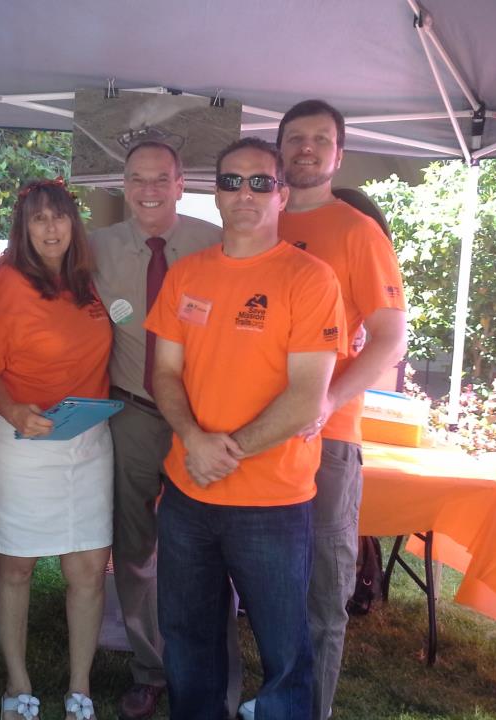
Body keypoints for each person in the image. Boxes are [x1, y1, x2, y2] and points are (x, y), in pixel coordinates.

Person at [145, 137, 346, 720]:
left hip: (272, 503)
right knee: (188, 641)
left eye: (261, 182)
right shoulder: (186, 275)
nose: (245, 194)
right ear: (216, 193)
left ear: (282, 194)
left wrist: (224, 453)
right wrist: (193, 441)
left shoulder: (309, 279)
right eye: (232, 181)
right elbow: (163, 373)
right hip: (188, 495)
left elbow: (308, 395)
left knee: (284, 655)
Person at [239, 100, 408, 720]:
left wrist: (328, 398)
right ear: (279, 149)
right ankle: (277, 698)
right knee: (264, 587)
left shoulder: (357, 232)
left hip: (325, 438)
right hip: (251, 436)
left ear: (338, 154)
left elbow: (390, 337)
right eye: (295, 138)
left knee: (319, 594)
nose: (305, 148)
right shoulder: (257, 220)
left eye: (320, 139)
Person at [89, 140, 242, 720]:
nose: (148, 189)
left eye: (161, 178)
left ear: (182, 183)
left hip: (204, 422)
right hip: (132, 413)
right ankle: (149, 668)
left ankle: (215, 681)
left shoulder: (216, 243)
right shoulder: (96, 249)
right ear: (123, 184)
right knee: (134, 549)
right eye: (136, 178)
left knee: (213, 548)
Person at [0, 178, 113, 720]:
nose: (51, 228)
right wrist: (16, 412)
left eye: (59, 217)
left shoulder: (87, 281)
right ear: (23, 231)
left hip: (87, 439)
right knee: (17, 566)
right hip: (20, 442)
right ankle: (17, 682)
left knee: (89, 568)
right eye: (37, 219)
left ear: (74, 223)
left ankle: (81, 686)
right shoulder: (6, 286)